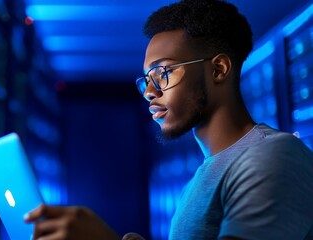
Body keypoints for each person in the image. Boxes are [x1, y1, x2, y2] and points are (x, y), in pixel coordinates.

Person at [24, 0, 313, 239]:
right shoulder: (206, 175)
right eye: (146, 79)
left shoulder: (273, 157)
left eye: (163, 73)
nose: (149, 92)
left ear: (219, 69)